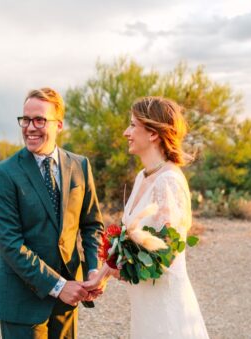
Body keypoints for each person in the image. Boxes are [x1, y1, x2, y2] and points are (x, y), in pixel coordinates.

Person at [86, 96, 209, 338]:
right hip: (145, 303)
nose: (125, 132)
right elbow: (130, 241)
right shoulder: (143, 176)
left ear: (153, 133)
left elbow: (164, 258)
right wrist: (101, 275)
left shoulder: (169, 182)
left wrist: (117, 272)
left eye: (132, 125)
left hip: (164, 306)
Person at [0, 87, 105, 338]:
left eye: (40, 120)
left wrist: (93, 269)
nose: (30, 127)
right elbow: (10, 244)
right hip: (22, 301)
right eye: (26, 119)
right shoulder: (4, 173)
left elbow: (92, 224)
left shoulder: (79, 165)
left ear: (59, 124)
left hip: (68, 299)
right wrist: (58, 286)